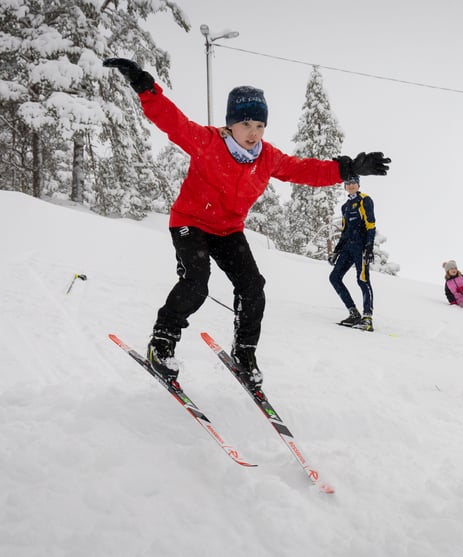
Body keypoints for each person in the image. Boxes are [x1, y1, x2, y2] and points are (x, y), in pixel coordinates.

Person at [104, 58, 391, 388]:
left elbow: (305, 170)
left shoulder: (267, 158)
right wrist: (145, 87)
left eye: (259, 126)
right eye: (246, 125)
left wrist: (347, 169)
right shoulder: (207, 142)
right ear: (230, 125)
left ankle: (244, 354)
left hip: (227, 230)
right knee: (197, 282)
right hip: (191, 223)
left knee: (253, 287)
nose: (253, 133)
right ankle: (162, 345)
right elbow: (173, 122)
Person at [329, 175, 376, 331]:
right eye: (347, 183)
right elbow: (345, 231)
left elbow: (370, 225)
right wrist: (336, 251)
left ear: (358, 184)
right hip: (348, 247)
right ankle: (353, 313)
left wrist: (369, 247)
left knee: (362, 280)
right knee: (334, 277)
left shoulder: (365, 200)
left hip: (361, 247)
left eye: (353, 183)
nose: (350, 185)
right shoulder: (345, 206)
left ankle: (367, 318)